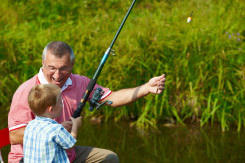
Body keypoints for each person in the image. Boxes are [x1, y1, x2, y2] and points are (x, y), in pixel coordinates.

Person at [8, 41, 166, 163]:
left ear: (72, 65)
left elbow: (112, 98)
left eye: (63, 68)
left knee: (109, 158)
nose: (57, 75)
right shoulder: (27, 91)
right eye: (51, 68)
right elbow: (13, 136)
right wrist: (57, 131)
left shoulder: (80, 83)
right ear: (43, 63)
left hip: (65, 155)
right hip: (29, 158)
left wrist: (146, 88)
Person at [23, 84, 82, 162]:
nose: (62, 104)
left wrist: (61, 127)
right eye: (60, 102)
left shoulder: (30, 125)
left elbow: (47, 133)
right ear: (51, 109)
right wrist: (75, 125)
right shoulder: (56, 130)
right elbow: (70, 144)